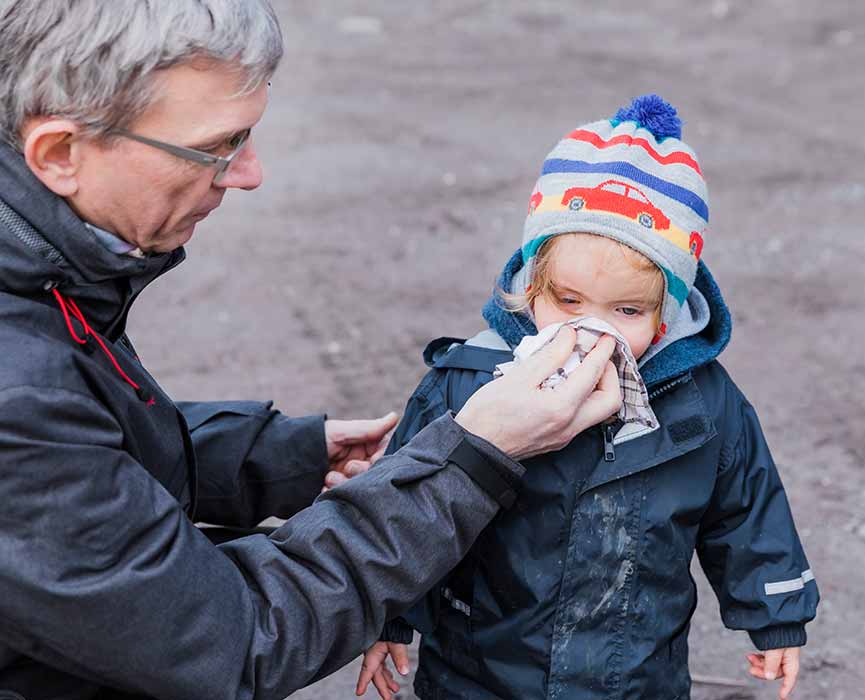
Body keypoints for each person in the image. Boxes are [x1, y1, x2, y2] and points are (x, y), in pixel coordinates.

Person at [0, 2, 622, 699]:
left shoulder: (39, 271)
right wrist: (470, 459)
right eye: (218, 147)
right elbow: (232, 642)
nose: (248, 174)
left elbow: (80, 448)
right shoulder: (15, 391)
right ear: (60, 153)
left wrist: (281, 457)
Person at [356, 95, 820, 700]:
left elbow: (747, 509)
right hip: (483, 673)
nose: (591, 328)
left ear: (666, 312)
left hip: (634, 677)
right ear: (531, 284)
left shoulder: (704, 404)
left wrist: (776, 616)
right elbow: (412, 504)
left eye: (626, 310)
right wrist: (389, 616)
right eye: (568, 301)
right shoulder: (469, 381)